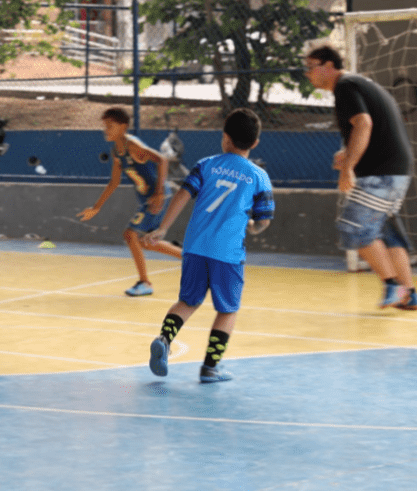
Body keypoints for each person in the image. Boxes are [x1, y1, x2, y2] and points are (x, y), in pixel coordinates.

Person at [142, 108, 274, 383]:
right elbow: (264, 221)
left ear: (225, 137)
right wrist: (252, 226)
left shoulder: (206, 165)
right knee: (227, 310)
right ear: (256, 143)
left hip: (194, 247)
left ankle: (164, 340)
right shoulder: (259, 176)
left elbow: (182, 194)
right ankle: (210, 368)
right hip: (227, 253)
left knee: (187, 301)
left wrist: (163, 228)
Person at [304, 45, 417, 310]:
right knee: (387, 233)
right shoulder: (358, 84)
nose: (308, 73)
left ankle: (393, 285)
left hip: (380, 173)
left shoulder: (345, 86)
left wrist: (348, 168)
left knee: (354, 229)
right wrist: (348, 153)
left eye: (311, 66)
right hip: (396, 171)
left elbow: (364, 123)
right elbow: (377, 127)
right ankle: (410, 293)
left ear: (329, 66)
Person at [78, 107, 182, 296]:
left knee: (130, 234)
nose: (106, 130)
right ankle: (195, 261)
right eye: (105, 126)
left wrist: (158, 193)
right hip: (148, 200)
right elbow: (114, 182)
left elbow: (163, 160)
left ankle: (145, 282)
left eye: (110, 126)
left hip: (156, 198)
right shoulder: (117, 152)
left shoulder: (133, 146)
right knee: (147, 242)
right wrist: (96, 207)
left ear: (123, 127)